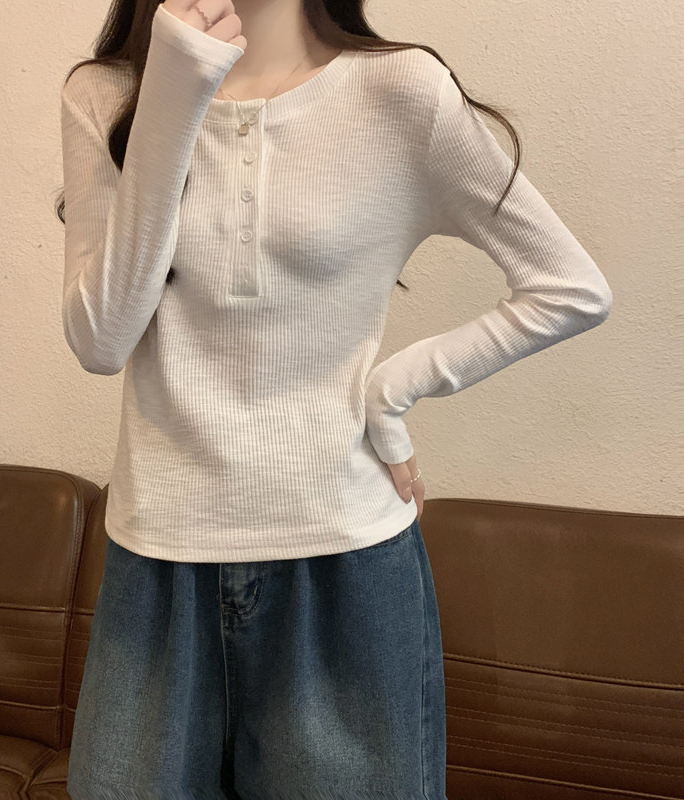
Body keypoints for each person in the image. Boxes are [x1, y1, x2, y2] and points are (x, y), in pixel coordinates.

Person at [58, 0, 613, 797]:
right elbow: (101, 341)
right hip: (155, 568)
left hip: (346, 568)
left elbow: (571, 288)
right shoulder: (106, 94)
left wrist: (393, 390)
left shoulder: (401, 91)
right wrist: (171, 98)